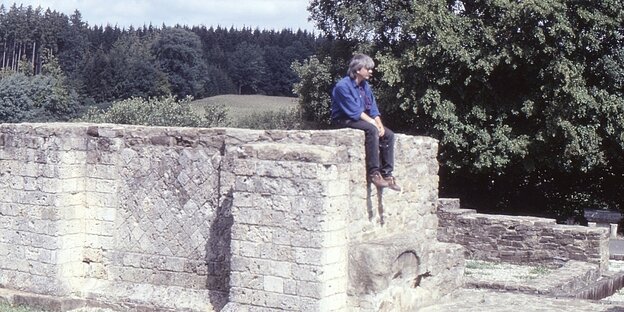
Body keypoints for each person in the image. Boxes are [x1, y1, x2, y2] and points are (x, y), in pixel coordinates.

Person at [331, 54, 401, 191]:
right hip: (344, 119)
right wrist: (374, 125)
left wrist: (380, 125)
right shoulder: (342, 86)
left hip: (359, 118)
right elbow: (354, 111)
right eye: (368, 68)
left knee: (389, 134)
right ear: (358, 70)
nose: (371, 71)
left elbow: (373, 108)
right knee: (372, 130)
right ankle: (374, 174)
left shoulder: (365, 86)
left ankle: (387, 175)